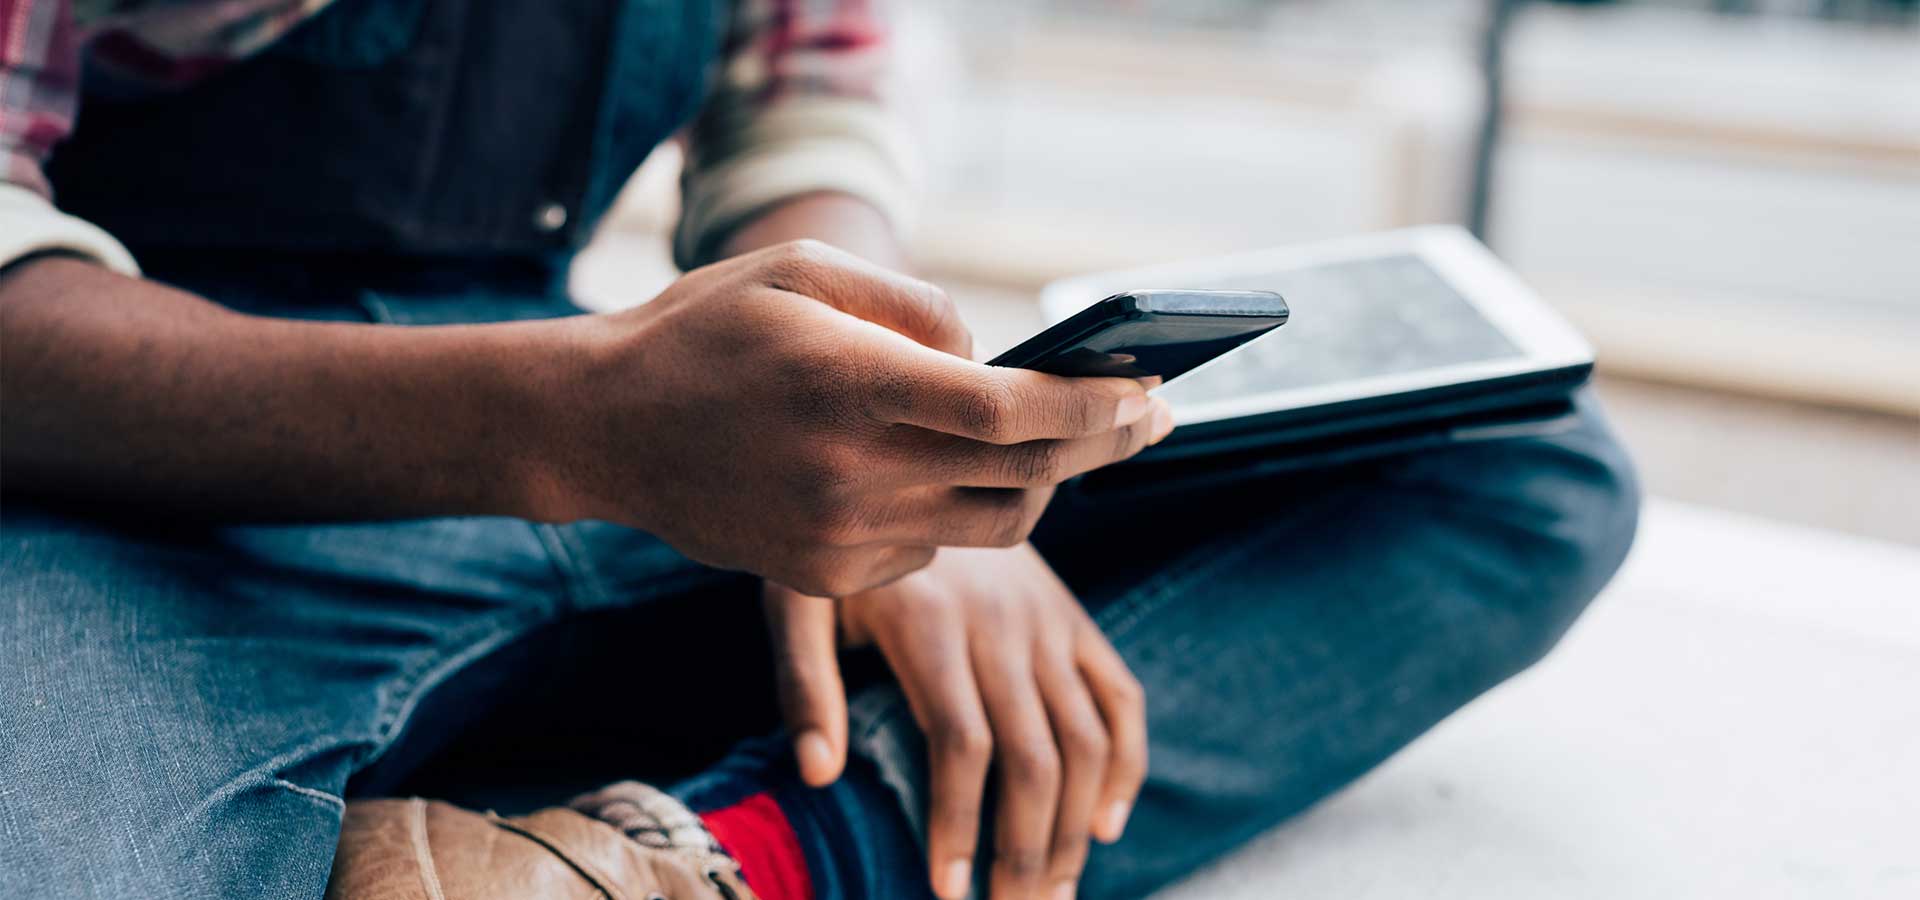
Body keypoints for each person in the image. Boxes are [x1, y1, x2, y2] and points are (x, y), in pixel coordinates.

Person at [0, 1, 1641, 899]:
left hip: (622, 421)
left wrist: (894, 432)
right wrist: (579, 420)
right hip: (166, 485)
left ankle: (699, 868)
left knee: (1511, 462)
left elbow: (809, 108)